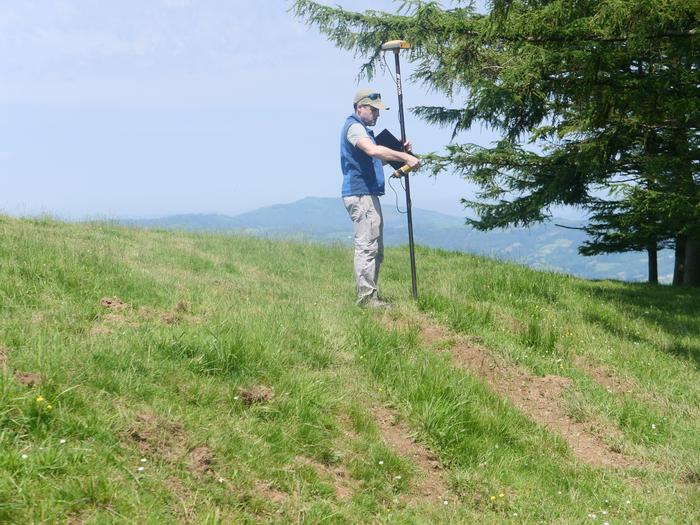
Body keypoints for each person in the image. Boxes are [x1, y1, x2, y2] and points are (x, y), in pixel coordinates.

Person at [340, 89, 420, 307]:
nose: (377, 114)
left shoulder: (364, 130)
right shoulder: (355, 127)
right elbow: (372, 151)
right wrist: (404, 156)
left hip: (367, 193)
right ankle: (367, 299)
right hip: (361, 193)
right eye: (374, 110)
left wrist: (398, 152)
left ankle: (370, 295)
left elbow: (376, 159)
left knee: (375, 247)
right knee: (367, 246)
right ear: (360, 108)